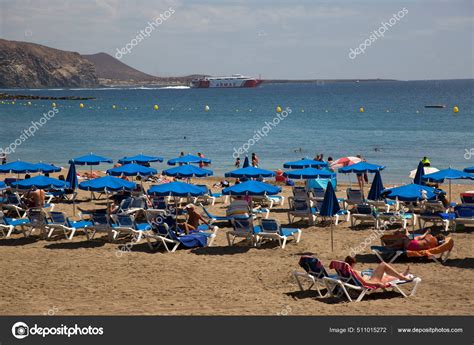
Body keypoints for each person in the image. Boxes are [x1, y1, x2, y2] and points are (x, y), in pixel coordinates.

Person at [345, 256, 412, 288]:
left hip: (369, 278)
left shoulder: (346, 271)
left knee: (386, 277)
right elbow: (365, 282)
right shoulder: (353, 271)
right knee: (383, 265)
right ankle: (401, 276)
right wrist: (378, 284)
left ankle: (401, 275)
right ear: (353, 264)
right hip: (371, 281)